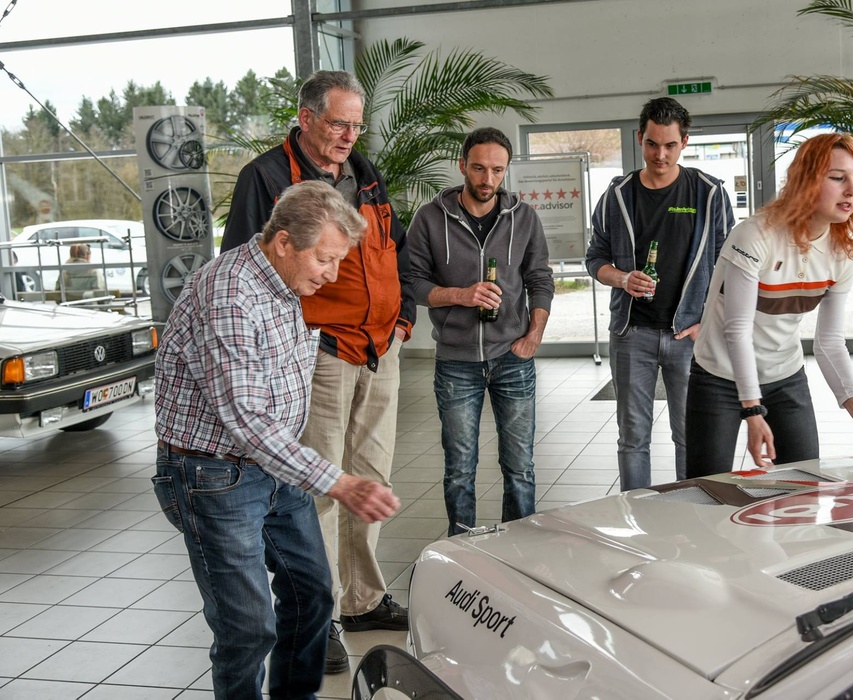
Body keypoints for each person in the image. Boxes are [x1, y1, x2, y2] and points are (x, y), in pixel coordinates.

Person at [152, 181, 401, 700]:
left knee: (313, 595)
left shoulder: (287, 283)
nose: (332, 274)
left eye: (339, 261)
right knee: (248, 628)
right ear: (284, 242)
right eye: (325, 259)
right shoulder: (230, 292)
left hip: (274, 465)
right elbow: (245, 416)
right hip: (213, 476)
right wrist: (338, 482)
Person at [223, 70, 415, 673]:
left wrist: (404, 316)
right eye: (338, 123)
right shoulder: (266, 177)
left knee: (370, 477)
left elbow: (397, 248)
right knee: (321, 487)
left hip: (380, 347)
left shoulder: (365, 171)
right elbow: (243, 266)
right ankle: (318, 615)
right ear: (305, 118)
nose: (349, 135)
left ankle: (362, 600)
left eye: (356, 125)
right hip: (320, 350)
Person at [686, 133, 853, 475]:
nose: (851, 190)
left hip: (785, 375)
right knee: (707, 489)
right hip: (719, 374)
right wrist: (752, 410)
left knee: (805, 485)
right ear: (807, 181)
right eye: (838, 177)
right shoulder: (755, 236)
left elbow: (829, 343)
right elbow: (737, 330)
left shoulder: (841, 251)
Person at [406, 126, 554, 537]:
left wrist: (533, 335)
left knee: (520, 467)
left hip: (512, 358)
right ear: (462, 165)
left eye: (497, 170)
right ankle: (462, 551)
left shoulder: (524, 217)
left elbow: (540, 278)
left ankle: (519, 547)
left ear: (506, 170)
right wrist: (460, 295)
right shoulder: (430, 218)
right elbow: (411, 282)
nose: (487, 179)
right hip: (456, 362)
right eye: (478, 168)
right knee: (459, 469)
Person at [585, 97, 735, 491]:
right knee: (633, 438)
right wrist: (622, 279)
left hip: (690, 336)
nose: (660, 155)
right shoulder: (618, 195)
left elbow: (729, 265)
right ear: (640, 138)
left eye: (670, 145)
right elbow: (595, 257)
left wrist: (708, 321)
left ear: (684, 142)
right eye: (652, 144)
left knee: (691, 435)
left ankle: (694, 511)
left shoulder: (708, 193)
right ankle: (638, 516)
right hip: (632, 335)